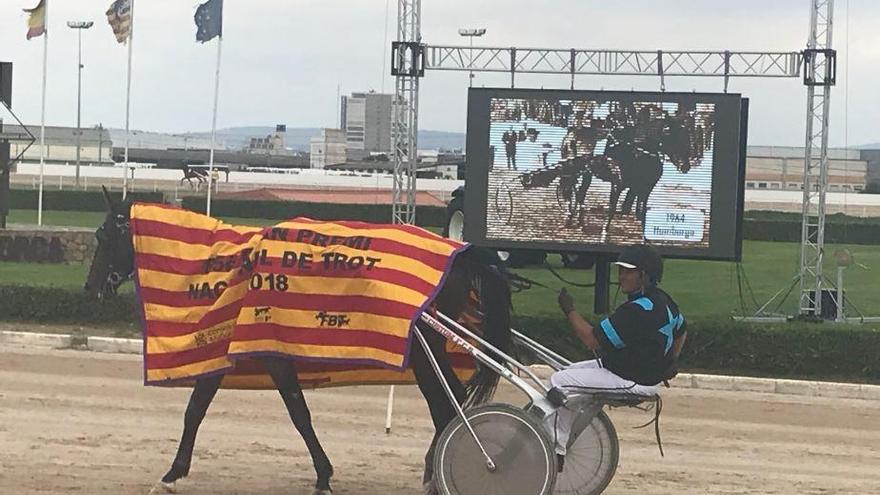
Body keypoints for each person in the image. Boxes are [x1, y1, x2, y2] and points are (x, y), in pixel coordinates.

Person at [544, 244, 687, 468]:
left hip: (630, 380)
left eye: (629, 272)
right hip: (628, 370)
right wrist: (670, 361)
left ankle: (556, 448)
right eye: (621, 270)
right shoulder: (664, 300)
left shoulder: (635, 311)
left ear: (645, 276)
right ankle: (566, 425)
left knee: (558, 382)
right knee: (567, 373)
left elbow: (592, 340)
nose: (622, 276)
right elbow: (682, 330)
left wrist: (569, 310)